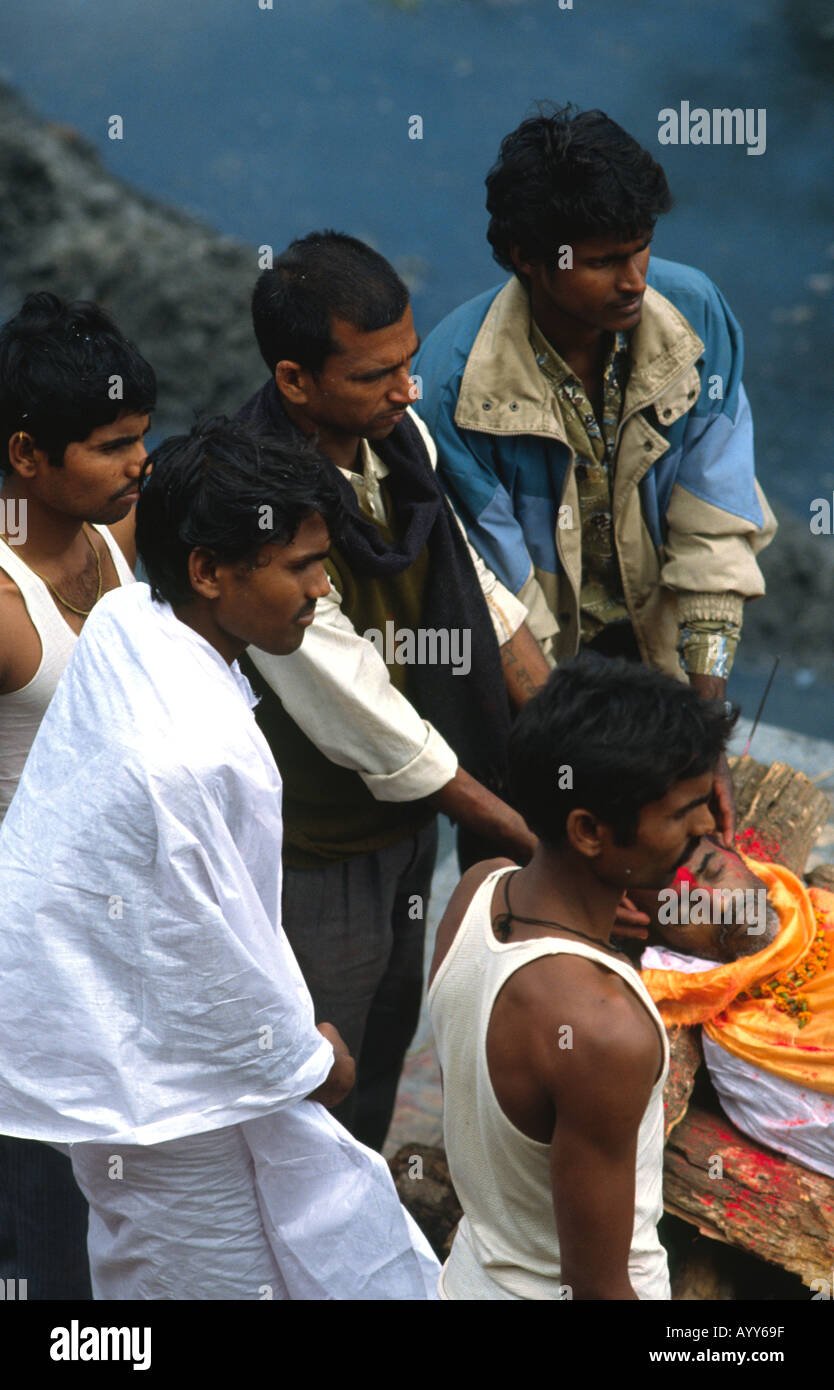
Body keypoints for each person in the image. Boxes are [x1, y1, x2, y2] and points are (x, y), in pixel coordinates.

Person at [0, 417, 439, 1299]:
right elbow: (212, 942)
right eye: (299, 567)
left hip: (114, 1047)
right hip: (172, 1098)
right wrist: (304, 1058)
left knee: (133, 1260)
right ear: (207, 570)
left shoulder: (131, 616)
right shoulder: (201, 753)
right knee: (210, 1277)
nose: (321, 591)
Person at [236, 231, 549, 1150]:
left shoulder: (396, 443)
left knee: (383, 1039)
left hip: (408, 826)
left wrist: (577, 746)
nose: (408, 390)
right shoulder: (266, 510)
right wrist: (534, 836)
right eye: (377, 375)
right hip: (321, 847)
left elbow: (478, 593)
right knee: (316, 1070)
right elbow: (368, 720)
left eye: (409, 364)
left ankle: (364, 1232)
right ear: (295, 381)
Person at [413, 104, 778, 846]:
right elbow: (502, 603)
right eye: (606, 260)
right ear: (526, 256)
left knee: (679, 885)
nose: (634, 280)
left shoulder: (697, 315)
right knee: (547, 871)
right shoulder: (452, 387)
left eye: (642, 249)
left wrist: (702, 732)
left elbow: (715, 521)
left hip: (658, 658)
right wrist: (588, 767)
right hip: (532, 695)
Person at [428, 654, 737, 1299]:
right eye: (683, 812)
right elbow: (599, 1290)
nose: (708, 826)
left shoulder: (477, 890)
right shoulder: (604, 1030)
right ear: (590, 831)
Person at [0, 291, 155, 1300]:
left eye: (144, 437)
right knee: (48, 1211)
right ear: (26, 457)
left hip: (110, 929)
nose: (140, 462)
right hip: (26, 955)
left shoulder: (114, 533)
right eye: (111, 445)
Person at [635, 835, 834, 1180]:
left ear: (737, 855)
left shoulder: (817, 907)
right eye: (684, 909)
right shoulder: (742, 1050)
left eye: (713, 870)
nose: (722, 904)